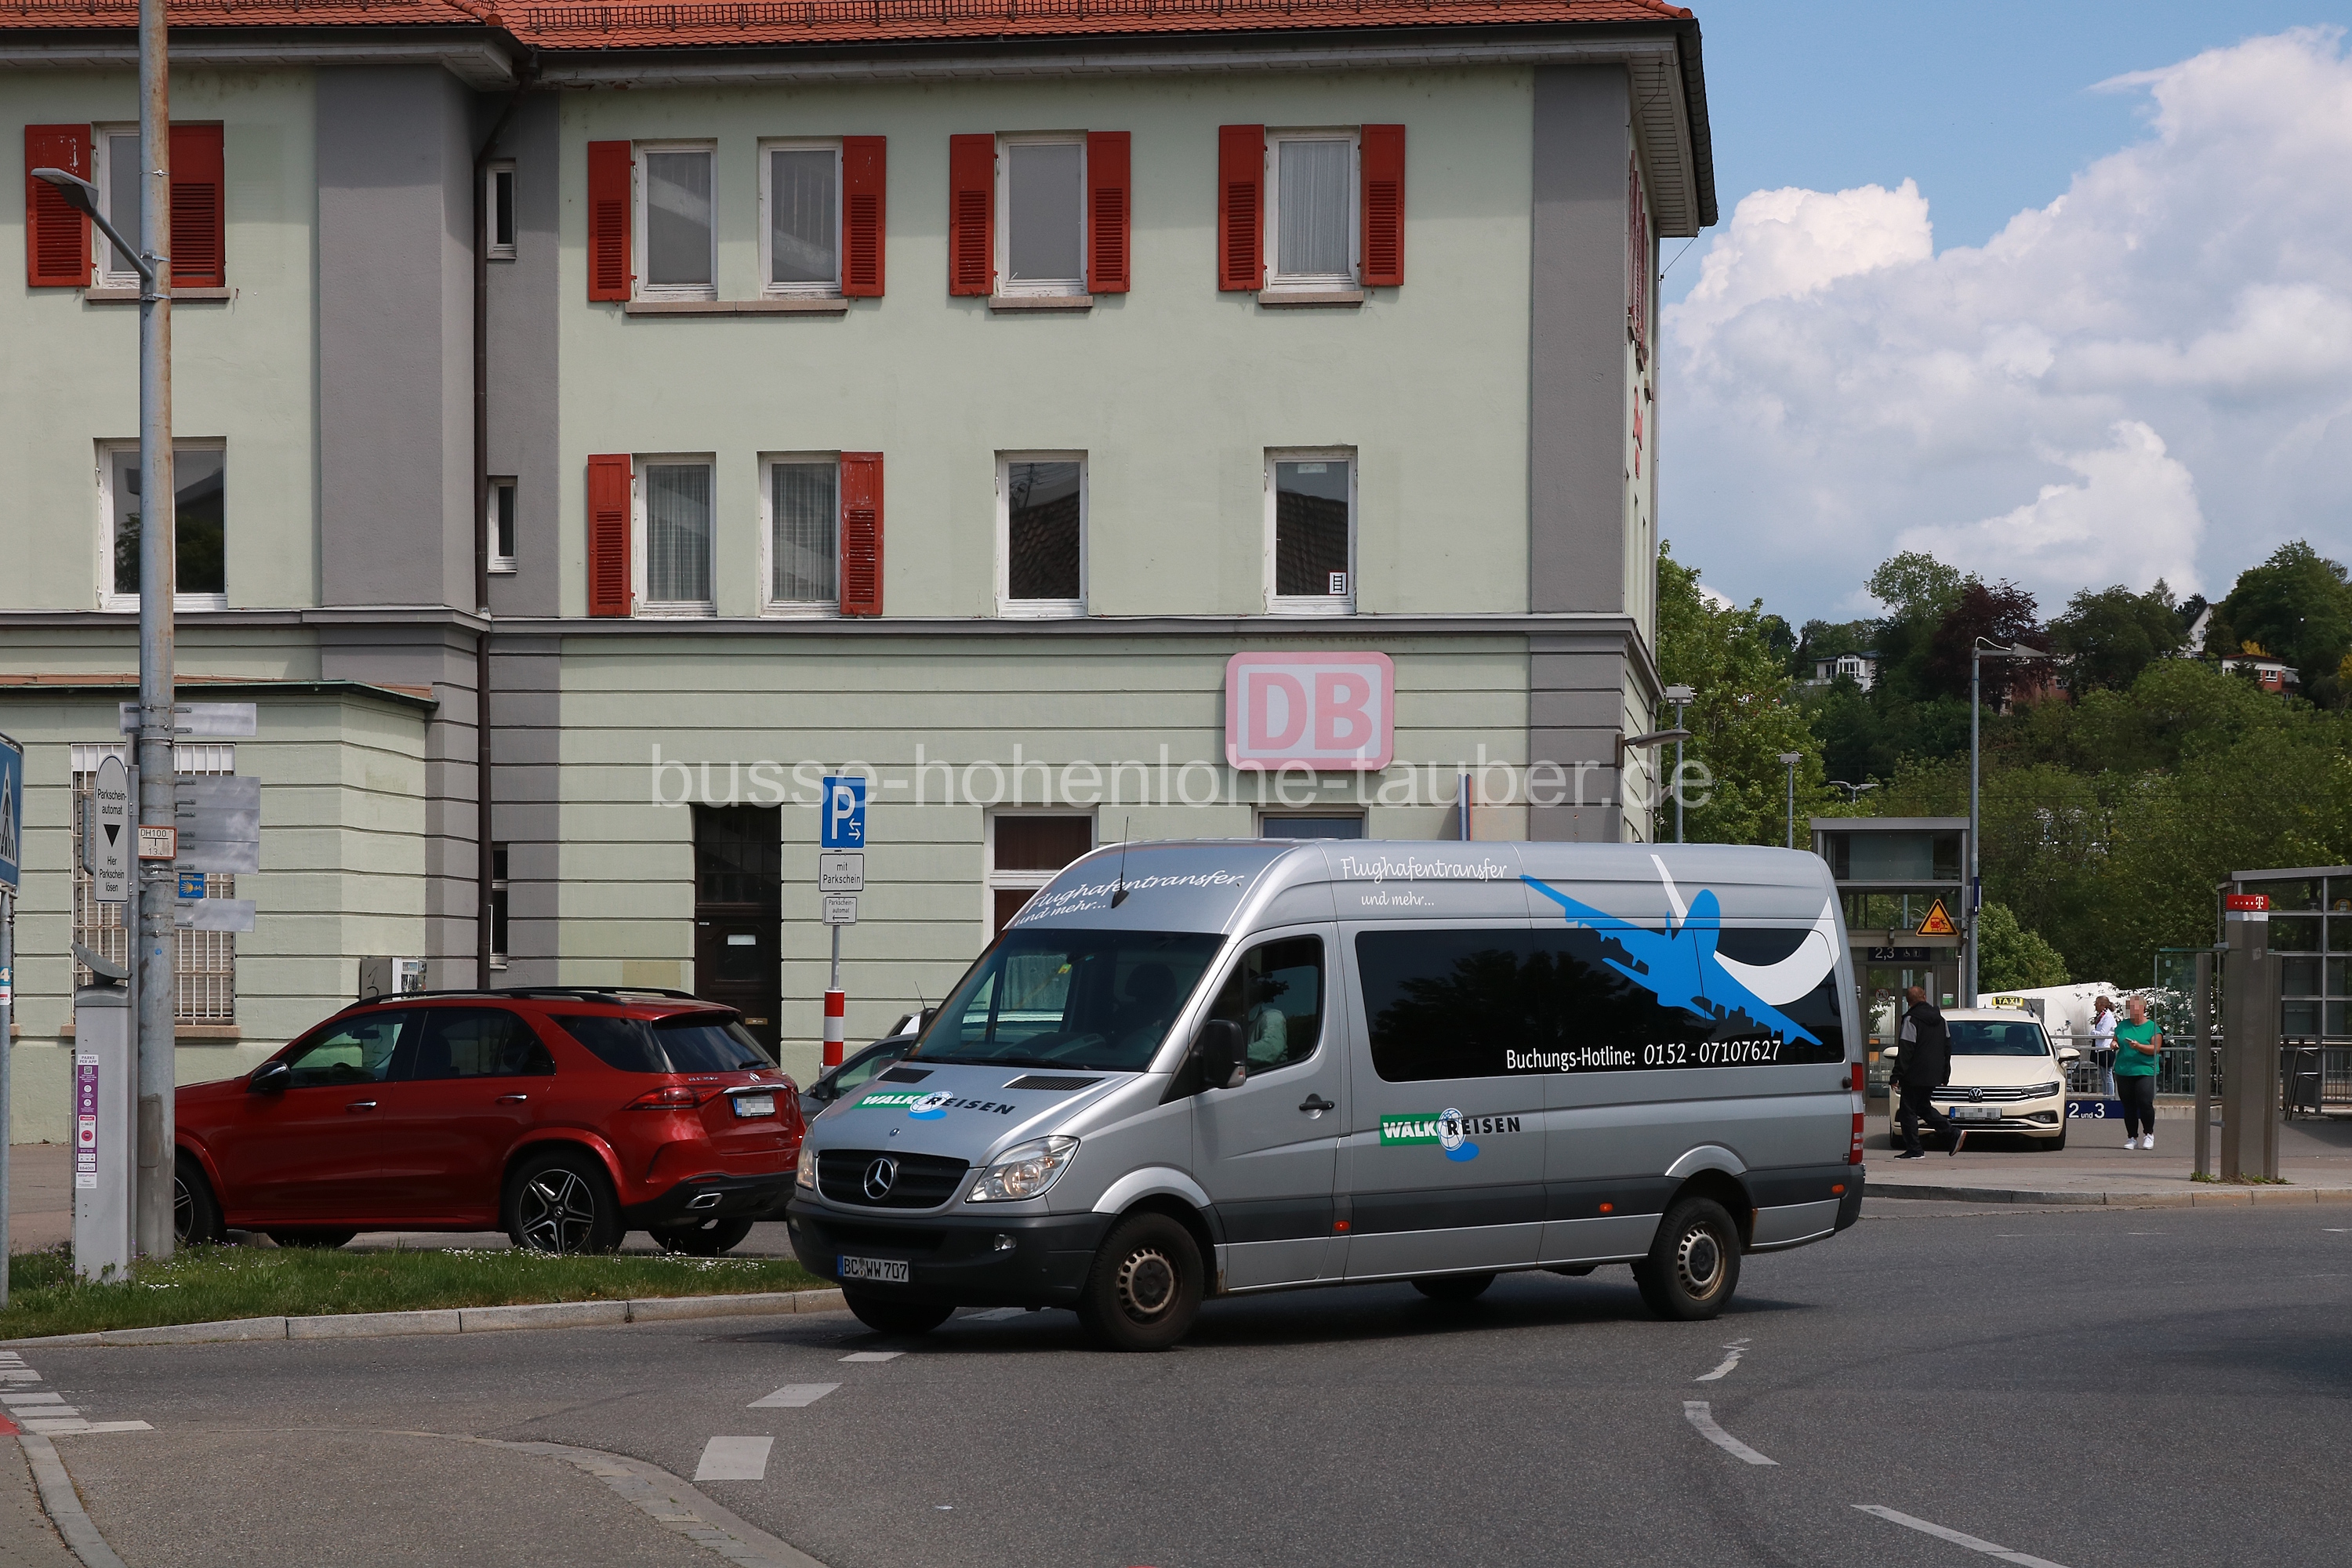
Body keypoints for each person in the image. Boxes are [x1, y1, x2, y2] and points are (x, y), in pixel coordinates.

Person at [1893, 985, 1957, 1160]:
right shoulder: (1941, 1020)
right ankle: (1952, 1133)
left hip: (1914, 1074)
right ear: (1925, 997)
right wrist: (1945, 1074)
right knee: (1922, 1107)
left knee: (1907, 1111)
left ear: (1908, 1001)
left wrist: (1896, 1075)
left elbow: (1906, 1049)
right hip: (1933, 1073)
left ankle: (1915, 1149)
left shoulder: (1911, 1019)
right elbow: (1947, 1048)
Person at [2114, 994, 2163, 1149]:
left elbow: (2156, 1049)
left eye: (2134, 1007)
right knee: (2128, 1105)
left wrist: (2139, 1046)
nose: (2132, 1010)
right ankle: (2132, 1137)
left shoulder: (2152, 1027)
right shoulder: (2123, 1025)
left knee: (2144, 1102)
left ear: (2143, 1008)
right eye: (2130, 1007)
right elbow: (2116, 1039)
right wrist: (2114, 1044)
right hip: (2124, 1070)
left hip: (2144, 1070)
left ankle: (2149, 1134)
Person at [2089, 995, 2118, 1098]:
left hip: (2106, 1049)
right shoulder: (2102, 1016)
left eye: (2096, 1003)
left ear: (2102, 1005)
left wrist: (2092, 1033)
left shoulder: (2108, 1017)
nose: (2095, 1005)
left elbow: (2103, 1034)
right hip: (2100, 1049)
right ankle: (2105, 1096)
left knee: (2108, 1075)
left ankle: (2110, 1097)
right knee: (2103, 1076)